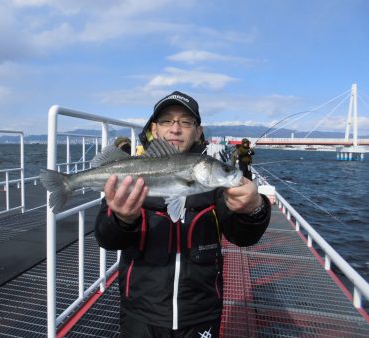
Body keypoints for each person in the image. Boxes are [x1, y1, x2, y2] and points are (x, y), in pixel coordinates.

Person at [95, 91, 271, 337]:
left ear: (199, 131)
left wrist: (254, 209)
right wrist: (121, 219)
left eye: (186, 122)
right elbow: (107, 239)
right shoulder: (131, 173)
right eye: (167, 121)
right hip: (141, 311)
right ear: (154, 129)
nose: (175, 129)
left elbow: (244, 237)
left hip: (200, 312)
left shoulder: (216, 186)